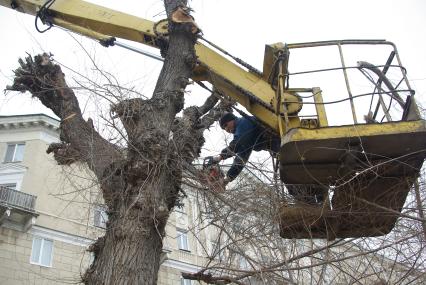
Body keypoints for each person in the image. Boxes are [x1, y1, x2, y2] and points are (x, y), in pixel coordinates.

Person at [212, 112, 280, 187]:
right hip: (278, 146)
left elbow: (238, 141)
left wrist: (220, 156)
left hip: (279, 139)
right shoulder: (243, 136)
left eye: (226, 125)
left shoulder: (243, 122)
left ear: (232, 120)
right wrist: (228, 178)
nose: (226, 129)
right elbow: (241, 158)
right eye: (224, 129)